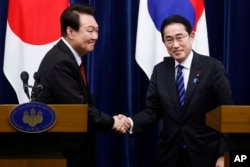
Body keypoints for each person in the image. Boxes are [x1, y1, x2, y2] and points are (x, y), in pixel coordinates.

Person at [120, 14, 233, 167]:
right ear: (163, 42)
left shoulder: (213, 68)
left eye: (180, 38)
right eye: (169, 39)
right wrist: (130, 122)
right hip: (170, 156)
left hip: (206, 155)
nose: (175, 45)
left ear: (191, 36)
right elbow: (152, 111)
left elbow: (227, 113)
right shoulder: (160, 71)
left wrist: (224, 154)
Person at [36, 3, 129, 167]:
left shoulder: (67, 58)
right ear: (71, 32)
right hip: (62, 153)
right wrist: (113, 122)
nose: (95, 36)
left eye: (97, 30)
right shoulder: (61, 62)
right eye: (90, 30)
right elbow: (77, 109)